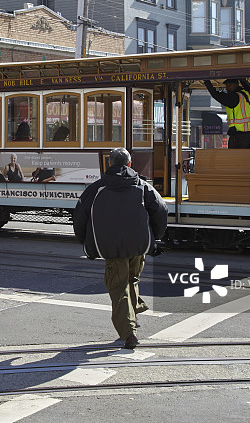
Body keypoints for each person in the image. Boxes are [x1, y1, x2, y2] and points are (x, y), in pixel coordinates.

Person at [72, 147, 167, 350]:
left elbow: (80, 216)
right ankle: (132, 315)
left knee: (118, 286)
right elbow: (161, 209)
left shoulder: (96, 188)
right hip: (138, 245)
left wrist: (85, 243)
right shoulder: (143, 186)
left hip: (112, 247)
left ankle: (129, 332)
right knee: (132, 280)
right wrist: (154, 238)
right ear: (130, 164)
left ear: (109, 163)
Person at [203, 78, 250, 149]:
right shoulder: (246, 94)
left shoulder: (234, 98)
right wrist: (242, 79)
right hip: (249, 133)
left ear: (235, 85)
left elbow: (216, 95)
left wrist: (207, 82)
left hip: (239, 134)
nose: (227, 88)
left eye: (229, 85)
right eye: (226, 86)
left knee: (234, 157)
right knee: (246, 157)